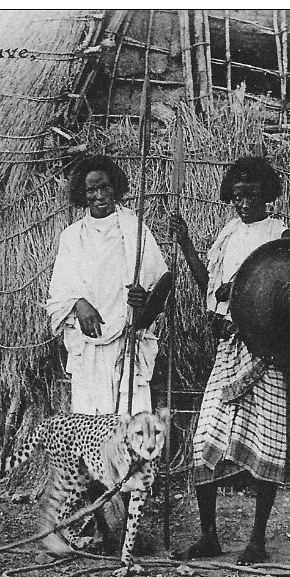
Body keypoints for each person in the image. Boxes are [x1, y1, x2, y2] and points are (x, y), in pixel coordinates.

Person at [170, 156, 290, 566]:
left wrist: (241, 300)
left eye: (252, 196)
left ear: (267, 195)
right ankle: (210, 537)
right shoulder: (227, 235)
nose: (244, 204)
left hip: (266, 351)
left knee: (267, 442)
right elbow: (210, 288)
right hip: (228, 351)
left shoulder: (280, 235)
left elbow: (288, 294)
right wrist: (186, 241)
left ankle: (257, 541)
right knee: (205, 437)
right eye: (237, 196)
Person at [47, 155, 170, 415]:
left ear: (115, 187)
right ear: (82, 193)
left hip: (127, 341)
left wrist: (143, 299)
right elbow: (59, 294)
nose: (99, 195)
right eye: (91, 189)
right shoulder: (72, 238)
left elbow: (161, 284)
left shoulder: (135, 230)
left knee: (130, 422)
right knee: (91, 425)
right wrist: (78, 304)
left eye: (105, 187)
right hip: (88, 344)